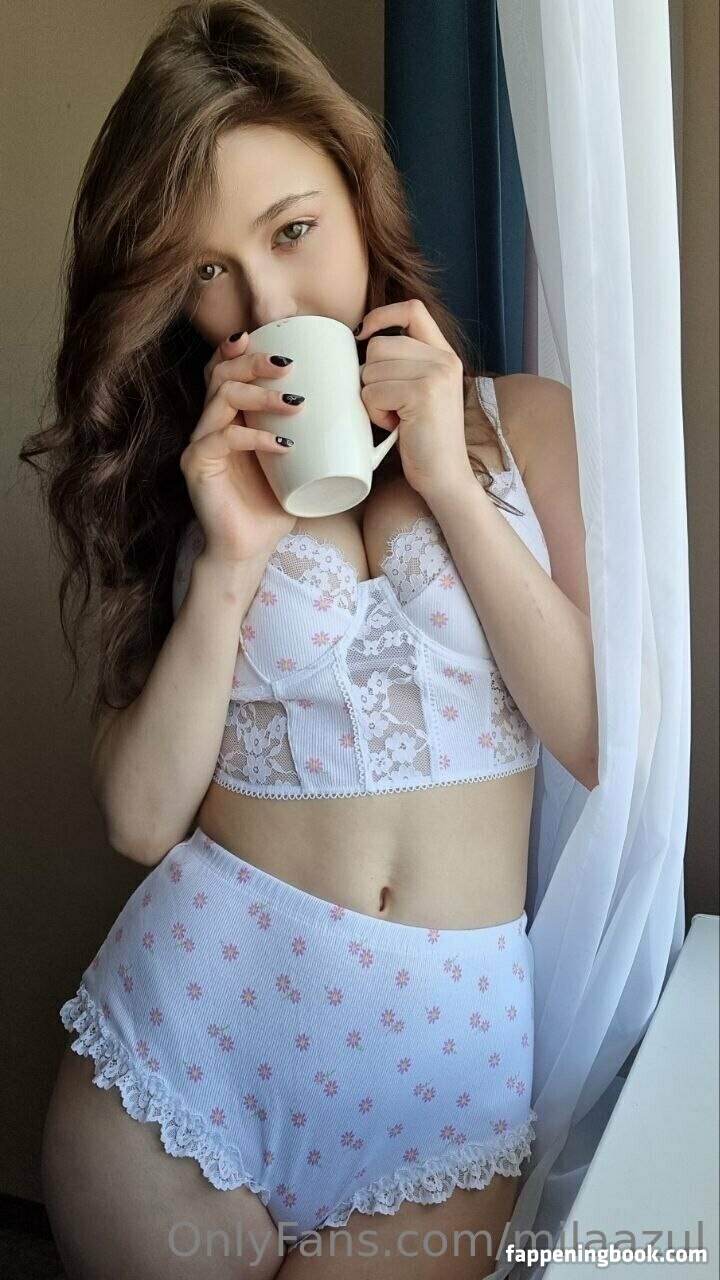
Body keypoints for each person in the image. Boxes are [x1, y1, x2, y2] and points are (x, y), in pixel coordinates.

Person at [21, 3, 598, 1276]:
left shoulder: (532, 423)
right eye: (205, 271)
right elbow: (140, 819)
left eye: (292, 231)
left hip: (438, 1093)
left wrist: (449, 477)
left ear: (358, 192)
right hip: (182, 1050)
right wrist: (229, 558)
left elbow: (600, 737)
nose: (260, 305)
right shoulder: (189, 476)